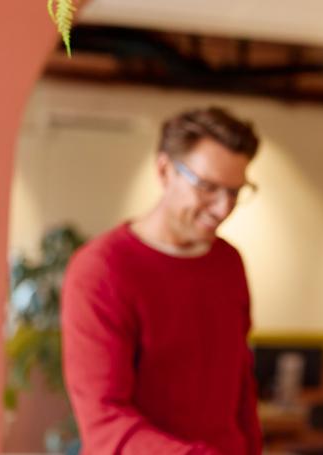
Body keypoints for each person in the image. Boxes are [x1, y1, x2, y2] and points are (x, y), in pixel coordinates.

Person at [62, 106, 263, 454]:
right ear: (165, 170)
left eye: (235, 192)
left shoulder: (228, 263)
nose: (222, 208)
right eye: (208, 187)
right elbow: (104, 420)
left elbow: (240, 386)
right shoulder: (100, 271)